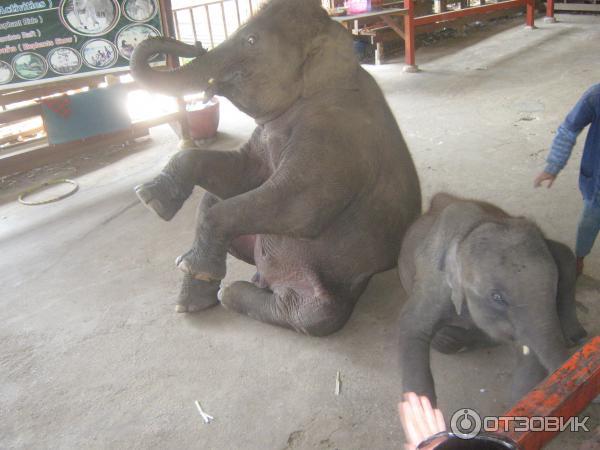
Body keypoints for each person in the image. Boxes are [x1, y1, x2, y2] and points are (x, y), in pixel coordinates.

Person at [534, 83, 600, 277]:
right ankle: (579, 258)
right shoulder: (596, 96)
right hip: (598, 188)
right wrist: (553, 166)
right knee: (589, 223)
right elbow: (569, 129)